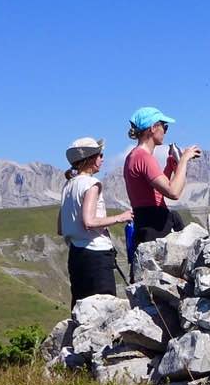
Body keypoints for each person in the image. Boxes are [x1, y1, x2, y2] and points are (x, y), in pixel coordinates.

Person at [59, 136, 133, 302]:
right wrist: (121, 217)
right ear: (90, 159)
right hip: (96, 254)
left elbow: (60, 227)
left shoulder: (68, 186)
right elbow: (89, 222)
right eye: (100, 155)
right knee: (105, 308)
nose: (102, 159)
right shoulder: (92, 184)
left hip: (76, 254)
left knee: (80, 305)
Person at [123, 106, 200, 251]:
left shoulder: (133, 156)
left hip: (144, 222)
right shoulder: (144, 158)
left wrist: (169, 169)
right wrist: (184, 159)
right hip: (155, 225)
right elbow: (173, 192)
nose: (165, 131)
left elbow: (154, 190)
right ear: (153, 128)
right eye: (164, 127)